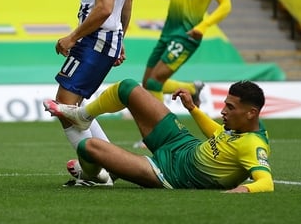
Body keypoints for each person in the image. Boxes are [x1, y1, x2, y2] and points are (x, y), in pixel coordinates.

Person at [44, 0, 133, 186]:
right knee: (76, 109)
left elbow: (105, 7)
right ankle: (111, 165)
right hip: (106, 39)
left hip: (95, 40)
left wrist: (72, 38)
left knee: (66, 107)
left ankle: (99, 173)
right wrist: (121, 38)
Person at [44, 78, 273, 193]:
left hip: (168, 173)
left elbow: (266, 182)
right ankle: (83, 115)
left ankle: (94, 176)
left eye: (230, 108)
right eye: (225, 104)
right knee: (128, 87)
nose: (223, 111)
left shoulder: (253, 145)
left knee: (88, 147)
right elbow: (216, 133)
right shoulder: (239, 128)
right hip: (182, 143)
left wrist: (243, 189)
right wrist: (192, 108)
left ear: (251, 113)